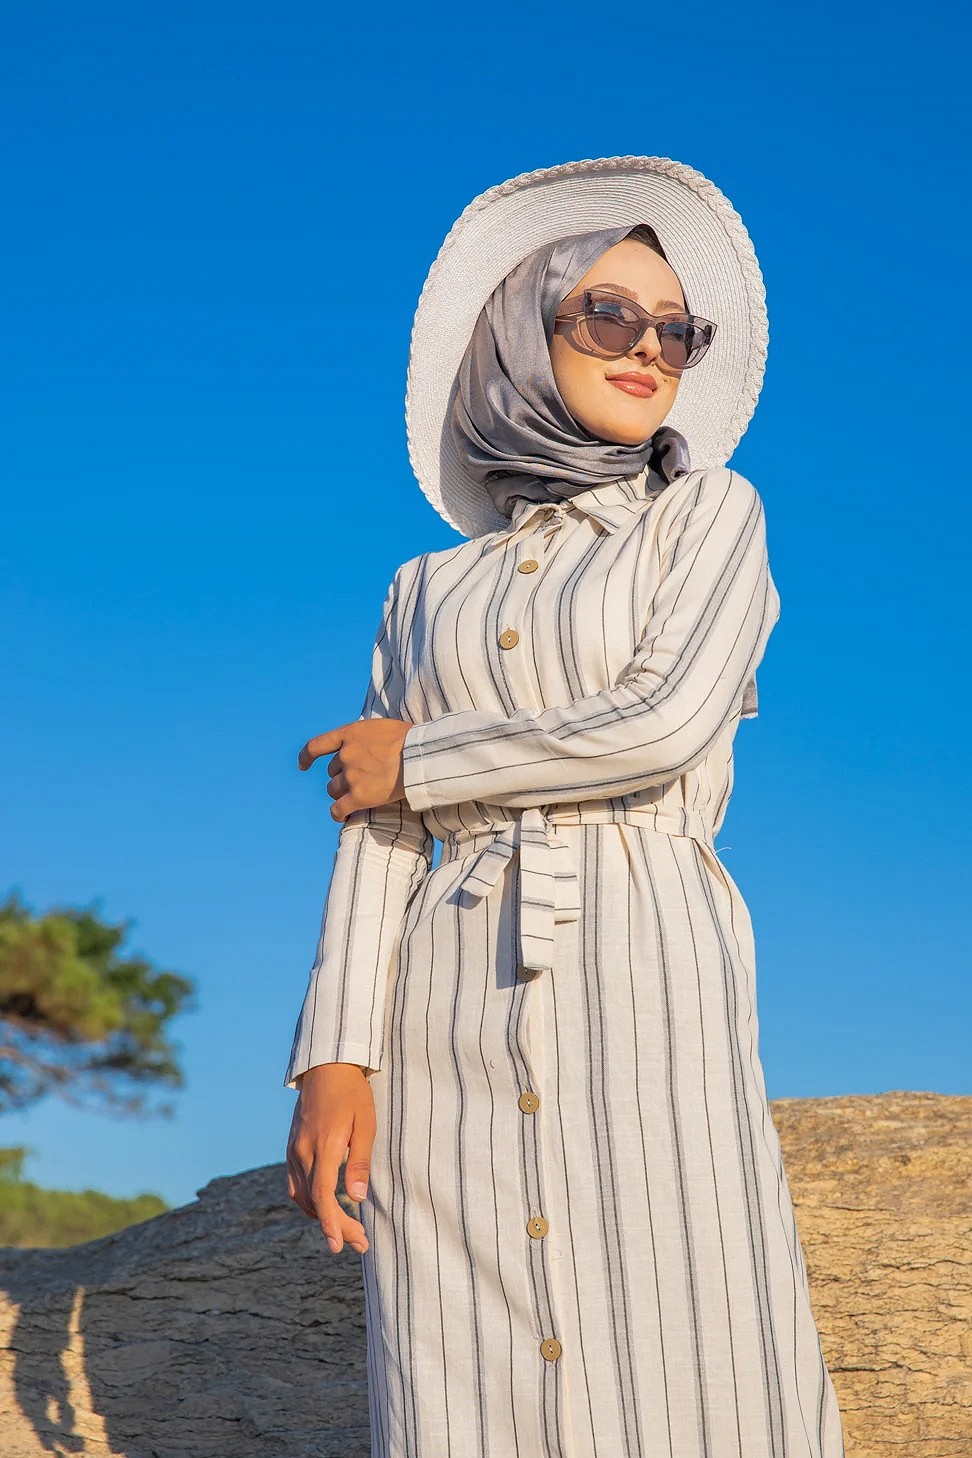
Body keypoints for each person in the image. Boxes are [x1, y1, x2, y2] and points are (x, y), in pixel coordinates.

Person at [283, 156, 847, 1458]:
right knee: (455, 1374)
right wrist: (332, 1056)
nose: (650, 346)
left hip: (647, 962)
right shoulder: (422, 590)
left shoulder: (709, 516)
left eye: (677, 330)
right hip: (438, 1010)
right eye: (609, 313)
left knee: (695, 1342)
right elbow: (379, 840)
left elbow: (660, 724)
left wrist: (423, 760)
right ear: (518, 330)